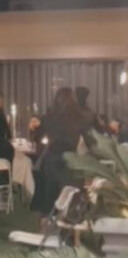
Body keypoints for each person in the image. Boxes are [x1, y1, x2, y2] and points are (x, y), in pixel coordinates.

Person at [31, 88, 92, 216]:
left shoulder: (49, 117)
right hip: (71, 160)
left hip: (52, 158)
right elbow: (90, 140)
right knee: (70, 196)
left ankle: (47, 224)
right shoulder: (80, 117)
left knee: (50, 197)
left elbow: (37, 136)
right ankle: (69, 226)